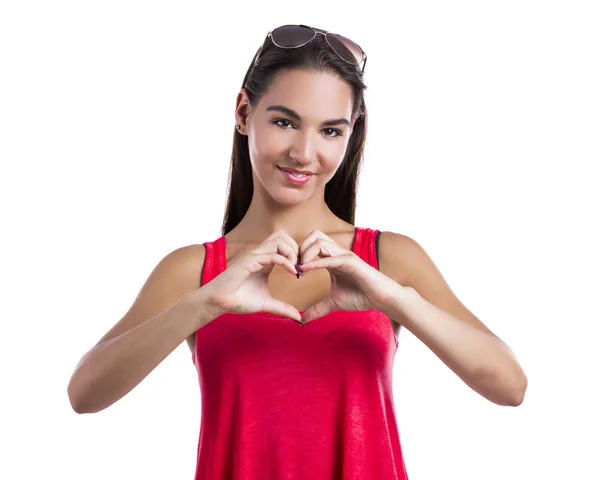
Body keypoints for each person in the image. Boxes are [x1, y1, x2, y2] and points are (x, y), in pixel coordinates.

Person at [67, 24, 528, 479]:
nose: (305, 153)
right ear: (244, 112)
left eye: (330, 131)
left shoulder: (388, 258)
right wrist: (205, 303)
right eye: (285, 122)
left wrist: (393, 299)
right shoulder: (197, 271)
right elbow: (85, 394)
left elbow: (510, 386)